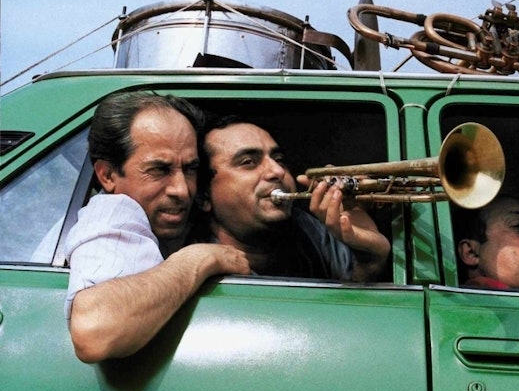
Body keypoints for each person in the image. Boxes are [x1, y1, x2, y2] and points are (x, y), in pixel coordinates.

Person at [65, 91, 251, 364]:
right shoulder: (112, 211)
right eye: (159, 170)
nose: (182, 190)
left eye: (190, 169)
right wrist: (197, 259)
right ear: (108, 175)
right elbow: (95, 332)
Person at [197, 115, 391, 282]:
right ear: (203, 196)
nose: (278, 171)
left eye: (279, 160)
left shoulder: (304, 227)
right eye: (248, 162)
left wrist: (370, 260)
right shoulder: (195, 263)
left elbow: (350, 300)